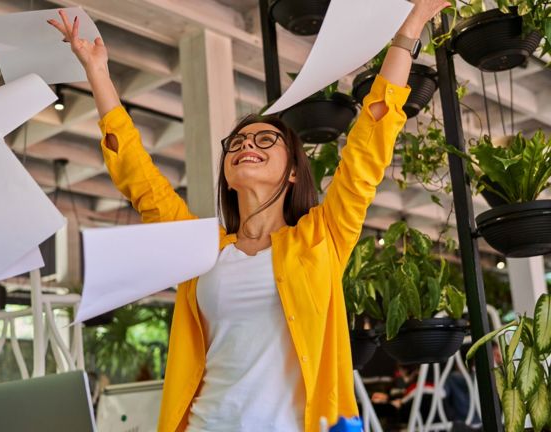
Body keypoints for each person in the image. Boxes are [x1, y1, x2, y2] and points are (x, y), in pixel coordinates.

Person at [49, 1, 449, 430]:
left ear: (294, 170)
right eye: (236, 143)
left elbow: (371, 139)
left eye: (264, 139)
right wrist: (98, 72)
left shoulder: (322, 236)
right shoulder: (200, 250)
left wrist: (411, 25)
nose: (245, 145)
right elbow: (142, 182)